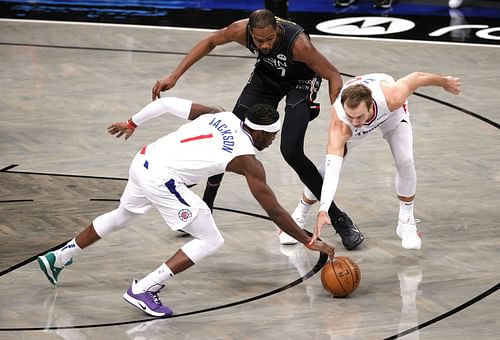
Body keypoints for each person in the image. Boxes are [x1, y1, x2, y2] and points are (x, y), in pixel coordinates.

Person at [37, 97, 335, 317]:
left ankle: (60, 256)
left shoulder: (222, 114)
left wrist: (132, 122)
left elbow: (166, 103)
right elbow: (275, 212)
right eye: (271, 136)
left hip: (143, 159)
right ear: (258, 133)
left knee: (122, 215)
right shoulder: (248, 160)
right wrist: (308, 240)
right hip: (160, 178)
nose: (272, 141)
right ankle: (145, 288)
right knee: (210, 238)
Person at [151, 9, 363, 250]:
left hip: (301, 82)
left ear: (278, 31)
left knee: (291, 151)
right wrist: (175, 75)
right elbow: (210, 41)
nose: (264, 45)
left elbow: (333, 75)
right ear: (250, 32)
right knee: (227, 135)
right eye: (259, 40)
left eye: (270, 40)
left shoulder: (299, 44)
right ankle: (206, 206)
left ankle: (338, 218)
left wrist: (338, 115)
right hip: (267, 77)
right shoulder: (239, 30)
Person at [297, 72, 460, 249]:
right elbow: (332, 172)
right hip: (353, 129)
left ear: (370, 107)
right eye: (351, 115)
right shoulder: (342, 124)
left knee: (405, 160)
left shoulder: (391, 97)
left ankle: (406, 221)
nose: (355, 121)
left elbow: (418, 77)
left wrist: (443, 82)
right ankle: (299, 214)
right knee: (325, 171)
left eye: (359, 116)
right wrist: (323, 209)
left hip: (390, 115)